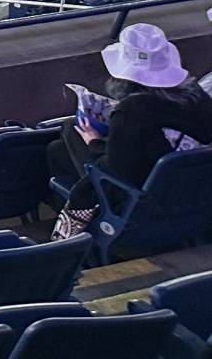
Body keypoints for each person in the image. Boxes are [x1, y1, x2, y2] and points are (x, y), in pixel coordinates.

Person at [53, 24, 212, 237]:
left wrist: (94, 142)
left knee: (66, 136)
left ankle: (78, 234)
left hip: (146, 198)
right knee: (59, 148)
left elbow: (117, 170)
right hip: (192, 192)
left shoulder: (132, 112)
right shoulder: (198, 96)